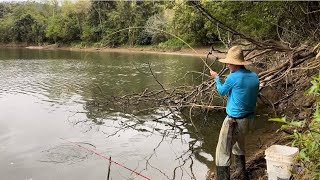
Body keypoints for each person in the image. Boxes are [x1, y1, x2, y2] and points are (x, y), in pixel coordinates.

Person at [210, 46, 259, 180]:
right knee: (239, 146)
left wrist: (216, 78)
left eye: (228, 63)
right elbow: (243, 91)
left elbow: (221, 91)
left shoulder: (232, 78)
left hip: (234, 122)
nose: (226, 65)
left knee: (222, 153)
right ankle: (241, 173)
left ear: (235, 64)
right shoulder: (254, 76)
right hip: (249, 120)